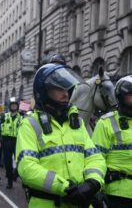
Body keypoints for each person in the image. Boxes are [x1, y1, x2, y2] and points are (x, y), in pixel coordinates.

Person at [16, 63, 106, 207]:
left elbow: (95, 158)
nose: (66, 94)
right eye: (58, 89)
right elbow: (27, 168)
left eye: (67, 89)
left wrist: (92, 183)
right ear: (44, 91)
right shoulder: (30, 124)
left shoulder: (77, 122)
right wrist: (65, 188)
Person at [92, 75, 132, 208]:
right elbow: (95, 159)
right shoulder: (106, 123)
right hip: (118, 195)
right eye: (131, 95)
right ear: (121, 97)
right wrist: (96, 190)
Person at [0, 97, 23, 189]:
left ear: (17, 106)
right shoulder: (4, 116)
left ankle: (15, 175)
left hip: (18, 141)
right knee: (7, 163)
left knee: (21, 161)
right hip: (6, 141)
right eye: (12, 105)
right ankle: (9, 181)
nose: (14, 106)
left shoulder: (22, 117)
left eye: (15, 105)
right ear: (10, 106)